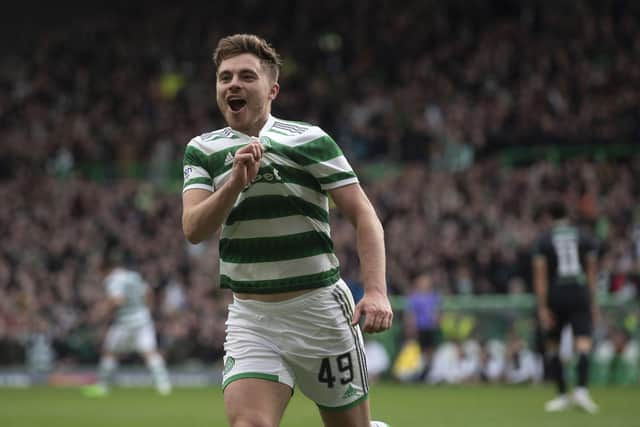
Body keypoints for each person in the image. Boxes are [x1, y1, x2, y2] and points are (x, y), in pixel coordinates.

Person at [181, 34, 393, 427]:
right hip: (253, 317)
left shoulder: (310, 141)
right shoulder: (203, 150)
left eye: (247, 76)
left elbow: (364, 215)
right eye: (224, 77)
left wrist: (376, 290)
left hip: (320, 315)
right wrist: (234, 184)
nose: (233, 84)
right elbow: (193, 229)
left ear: (272, 88)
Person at [532, 199, 599, 413]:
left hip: (556, 293)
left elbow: (540, 276)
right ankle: (581, 391)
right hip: (579, 292)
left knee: (553, 345)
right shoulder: (584, 236)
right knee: (583, 343)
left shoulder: (544, 240)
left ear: (549, 217)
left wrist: (542, 307)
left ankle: (561, 395)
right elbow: (591, 273)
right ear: (568, 215)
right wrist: (593, 303)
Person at [83, 250, 172, 397]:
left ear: (105, 269)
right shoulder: (133, 276)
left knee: (110, 352)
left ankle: (102, 387)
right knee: (150, 353)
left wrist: (100, 311)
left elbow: (117, 300)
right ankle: (164, 386)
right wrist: (146, 310)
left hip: (125, 322)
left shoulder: (112, 279)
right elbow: (148, 292)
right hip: (143, 319)